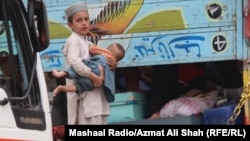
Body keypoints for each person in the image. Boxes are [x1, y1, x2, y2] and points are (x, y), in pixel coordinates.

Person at [63, 2, 117, 125]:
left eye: (86, 19)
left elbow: (102, 56)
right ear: (70, 25)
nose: (84, 23)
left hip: (95, 96)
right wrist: (94, 77)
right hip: (84, 96)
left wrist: (112, 61)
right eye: (79, 20)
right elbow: (75, 62)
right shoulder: (73, 40)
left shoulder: (85, 41)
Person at [52, 43, 125, 102]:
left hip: (91, 67)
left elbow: (91, 49)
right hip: (95, 80)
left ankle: (60, 74)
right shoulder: (111, 65)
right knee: (79, 87)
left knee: (76, 69)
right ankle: (61, 88)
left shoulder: (101, 53)